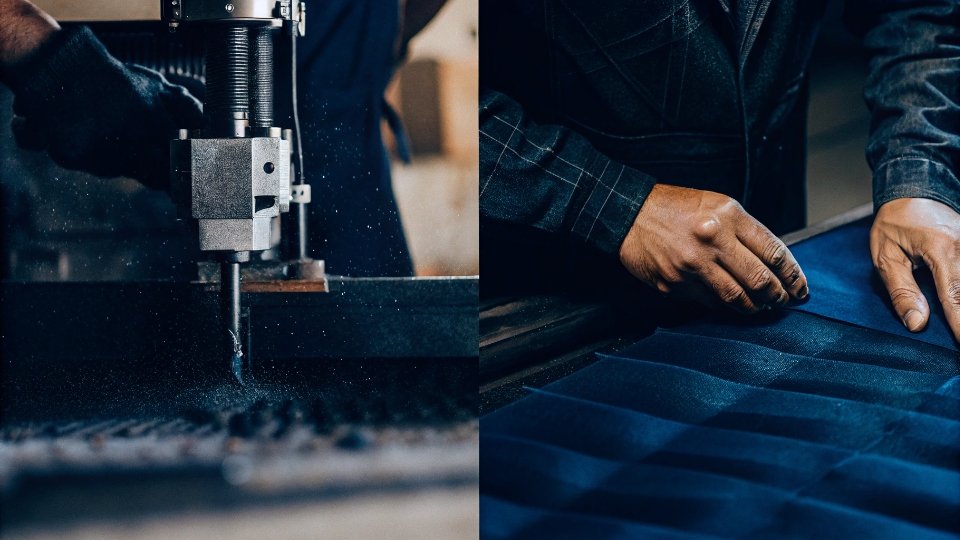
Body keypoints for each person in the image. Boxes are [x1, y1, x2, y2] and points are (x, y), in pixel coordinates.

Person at [479, 0, 960, 340]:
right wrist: (610, 203)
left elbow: (912, 8)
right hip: (553, 290)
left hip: (771, 247)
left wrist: (917, 169)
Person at [0, 0, 447, 277]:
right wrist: (49, 60)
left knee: (372, 369)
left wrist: (369, 48)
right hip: (72, 57)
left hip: (337, 123)